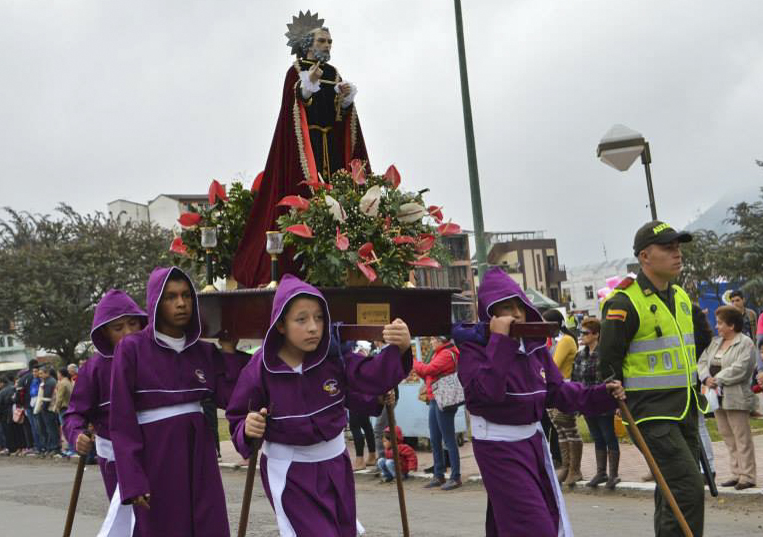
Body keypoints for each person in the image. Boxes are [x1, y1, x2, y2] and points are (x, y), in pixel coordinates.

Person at [226, 274, 412, 537]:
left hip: (336, 464)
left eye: (319, 317)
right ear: (280, 325)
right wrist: (248, 427)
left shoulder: (333, 357)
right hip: (291, 474)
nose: (313, 327)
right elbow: (237, 416)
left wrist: (400, 350)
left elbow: (361, 382)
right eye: (301, 319)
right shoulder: (261, 368)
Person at [455, 267, 624, 537]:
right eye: (505, 308)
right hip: (498, 447)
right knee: (534, 527)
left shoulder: (535, 349)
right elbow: (488, 393)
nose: (516, 314)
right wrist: (500, 341)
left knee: (516, 521)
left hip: (533, 443)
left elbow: (560, 393)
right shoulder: (473, 350)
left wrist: (603, 394)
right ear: (490, 314)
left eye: (519, 306)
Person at [233, 10, 370, 288]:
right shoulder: (296, 73)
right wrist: (308, 85)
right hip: (304, 149)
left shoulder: (334, 73)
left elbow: (341, 118)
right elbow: (294, 106)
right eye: (322, 41)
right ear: (308, 45)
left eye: (330, 42)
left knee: (339, 199)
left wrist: (345, 102)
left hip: (331, 148)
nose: (327, 46)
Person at [108, 267, 249, 537]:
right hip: (156, 450)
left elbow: (229, 398)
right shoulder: (132, 349)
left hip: (200, 449)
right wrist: (133, 478)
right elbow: (122, 419)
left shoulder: (203, 351)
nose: (181, 303)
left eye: (186, 295)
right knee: (164, 525)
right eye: (171, 297)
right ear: (155, 303)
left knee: (208, 520)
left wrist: (229, 352)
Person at [599, 221, 708, 536]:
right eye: (668, 248)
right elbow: (607, 361)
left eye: (678, 247)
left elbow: (696, 341)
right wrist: (617, 396)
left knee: (671, 491)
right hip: (650, 413)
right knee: (687, 487)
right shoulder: (624, 302)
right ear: (645, 256)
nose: (677, 254)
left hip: (685, 407)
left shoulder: (681, 297)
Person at [63, 289, 148, 499]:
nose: (128, 333)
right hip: (116, 460)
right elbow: (73, 414)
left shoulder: (156, 358)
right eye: (118, 328)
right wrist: (76, 435)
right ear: (105, 333)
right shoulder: (94, 369)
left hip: (159, 454)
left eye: (133, 324)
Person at [697, 305, 757, 489]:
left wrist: (718, 379)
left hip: (735, 396)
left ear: (731, 325)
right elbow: (702, 361)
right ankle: (735, 473)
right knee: (727, 435)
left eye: (720, 323)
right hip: (716, 396)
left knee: (741, 436)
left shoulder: (745, 343)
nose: (717, 327)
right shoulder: (715, 342)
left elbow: (742, 367)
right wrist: (706, 377)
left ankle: (747, 476)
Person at [570, 317, 621, 489]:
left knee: (608, 435)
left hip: (604, 402)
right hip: (587, 402)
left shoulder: (604, 354)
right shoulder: (580, 355)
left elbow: (611, 377)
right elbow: (575, 378)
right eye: (581, 332)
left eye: (585, 333)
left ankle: (613, 474)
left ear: (596, 334)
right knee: (597, 437)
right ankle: (601, 472)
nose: (582, 336)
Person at [413, 336, 462, 490]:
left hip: (444, 399)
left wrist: (413, 361)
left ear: (441, 341)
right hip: (435, 398)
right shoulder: (438, 353)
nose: (431, 342)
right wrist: (421, 368)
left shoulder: (447, 354)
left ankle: (456, 477)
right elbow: (427, 373)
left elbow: (428, 370)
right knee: (434, 438)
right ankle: (438, 474)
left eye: (433, 339)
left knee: (448, 439)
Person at [543, 309, 582, 486]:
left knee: (570, 429)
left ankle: (575, 469)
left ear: (555, 324)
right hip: (553, 388)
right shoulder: (554, 340)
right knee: (560, 431)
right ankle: (566, 467)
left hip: (564, 388)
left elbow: (553, 365)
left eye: (545, 323)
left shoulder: (566, 340)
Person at [37, 366, 61, 456]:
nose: (40, 375)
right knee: (50, 429)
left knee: (52, 429)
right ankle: (52, 447)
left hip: (49, 409)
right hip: (49, 408)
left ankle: (55, 447)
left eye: (41, 373)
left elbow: (47, 398)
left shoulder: (50, 382)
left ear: (47, 373)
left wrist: (43, 408)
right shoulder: (48, 381)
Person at [52, 368, 73, 456]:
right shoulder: (68, 381)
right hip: (69, 406)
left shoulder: (62, 383)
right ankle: (71, 448)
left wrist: (55, 408)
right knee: (69, 428)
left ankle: (70, 448)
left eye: (58, 373)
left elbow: (59, 398)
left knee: (66, 429)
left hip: (63, 408)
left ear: (60, 374)